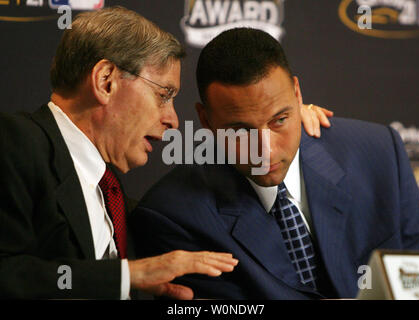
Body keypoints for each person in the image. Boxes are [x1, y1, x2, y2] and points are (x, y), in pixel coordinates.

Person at [0, 7, 328, 300]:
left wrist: (287, 117)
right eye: (164, 94)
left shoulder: (121, 206)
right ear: (106, 81)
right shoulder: (14, 142)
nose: (172, 120)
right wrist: (130, 275)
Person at [131, 28, 419, 299]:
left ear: (298, 94)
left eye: (280, 120)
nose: (266, 151)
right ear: (206, 121)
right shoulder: (174, 216)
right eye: (240, 131)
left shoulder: (379, 154)